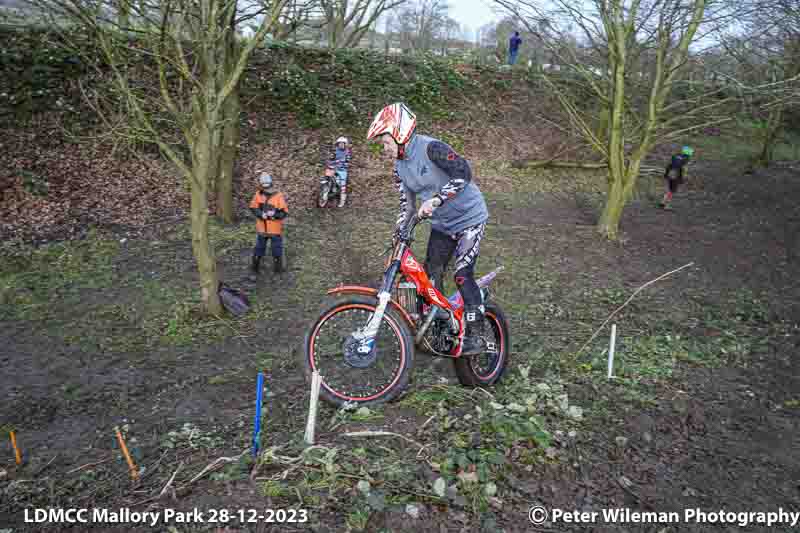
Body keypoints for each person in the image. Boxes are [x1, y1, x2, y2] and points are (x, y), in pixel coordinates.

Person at [366, 103, 489, 355]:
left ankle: (477, 336)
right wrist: (400, 230)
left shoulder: (431, 148)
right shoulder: (399, 167)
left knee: (462, 274)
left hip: (470, 218)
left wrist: (436, 199)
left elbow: (464, 173)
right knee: (431, 278)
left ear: (399, 132)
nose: (384, 147)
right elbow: (407, 206)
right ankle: (444, 328)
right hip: (442, 225)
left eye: (385, 140)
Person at [249, 172, 288, 274]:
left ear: (271, 184)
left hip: (274, 229)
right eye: (263, 186)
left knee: (277, 250)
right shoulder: (258, 195)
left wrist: (274, 214)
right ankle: (255, 268)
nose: (266, 188)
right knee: (259, 248)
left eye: (267, 185)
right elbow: (253, 208)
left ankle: (278, 270)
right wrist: (261, 214)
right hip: (262, 229)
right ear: (261, 185)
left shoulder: (278, 196)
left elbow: (284, 213)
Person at [329, 136, 352, 207]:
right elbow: (331, 159)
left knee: (342, 186)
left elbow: (347, 161)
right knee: (329, 179)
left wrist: (343, 163)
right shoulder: (335, 151)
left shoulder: (347, 152)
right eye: (340, 143)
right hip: (334, 169)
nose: (341, 145)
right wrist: (330, 161)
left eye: (342, 143)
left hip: (342, 170)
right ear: (337, 144)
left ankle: (342, 201)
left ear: (345, 144)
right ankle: (327, 194)